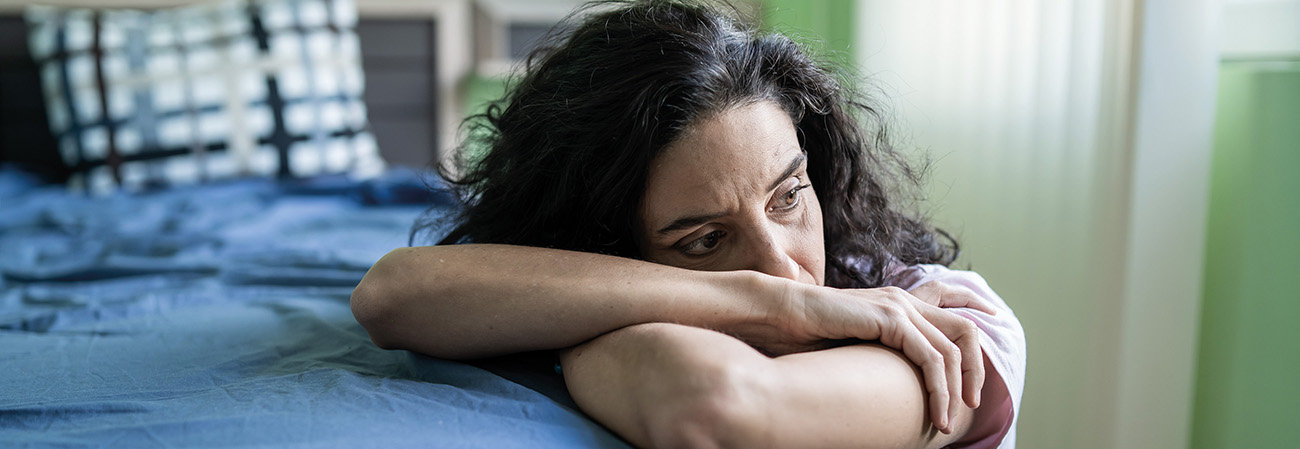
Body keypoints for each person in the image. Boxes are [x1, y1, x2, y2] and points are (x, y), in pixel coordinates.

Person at [350, 0, 1025, 447]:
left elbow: (712, 405)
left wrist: (574, 319)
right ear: (611, 245)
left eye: (789, 196)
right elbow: (390, 295)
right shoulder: (761, 287)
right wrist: (771, 305)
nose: (782, 268)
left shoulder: (950, 326)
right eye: (705, 240)